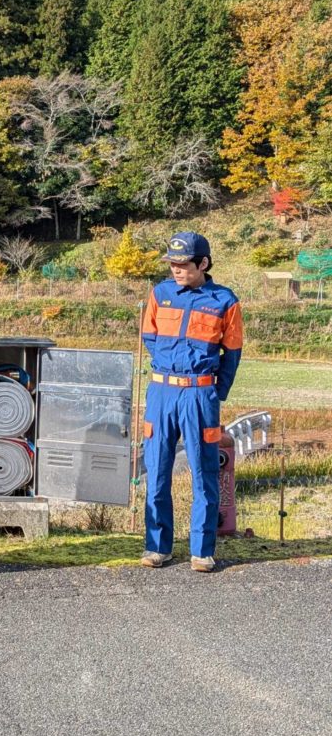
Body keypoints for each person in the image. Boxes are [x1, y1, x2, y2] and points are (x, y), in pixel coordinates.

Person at [140, 232, 243, 572]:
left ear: (203, 263)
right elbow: (150, 337)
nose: (176, 270)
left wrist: (214, 392)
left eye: (183, 264)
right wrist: (170, 368)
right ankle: (158, 547)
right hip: (161, 393)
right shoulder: (160, 293)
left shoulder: (225, 301)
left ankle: (202, 550)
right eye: (172, 264)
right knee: (155, 472)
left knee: (204, 471)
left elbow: (233, 353)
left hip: (200, 395)